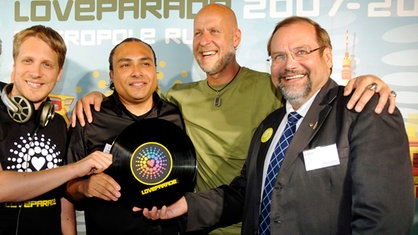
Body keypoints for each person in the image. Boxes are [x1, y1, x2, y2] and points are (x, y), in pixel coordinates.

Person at [71, 4, 398, 235]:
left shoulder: (350, 107)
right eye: (198, 32)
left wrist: (365, 82)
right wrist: (98, 97)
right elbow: (245, 188)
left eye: (302, 52)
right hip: (195, 223)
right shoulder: (180, 99)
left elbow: (381, 217)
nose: (289, 65)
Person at [65, 38, 186, 234]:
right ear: (112, 75)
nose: (137, 72)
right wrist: (85, 186)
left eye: (145, 63)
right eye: (125, 65)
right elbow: (68, 189)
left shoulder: (178, 115)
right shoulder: (88, 117)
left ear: (155, 70)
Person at [0, 25, 113, 235]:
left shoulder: (58, 123)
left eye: (47, 65)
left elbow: (64, 201)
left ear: (59, 73)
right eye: (28, 61)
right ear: (14, 65)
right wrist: (77, 168)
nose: (36, 72)